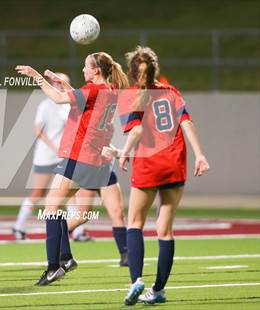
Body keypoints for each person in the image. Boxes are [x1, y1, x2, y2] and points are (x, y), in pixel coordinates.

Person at [16, 51, 129, 286]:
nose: (83, 70)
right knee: (56, 208)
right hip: (91, 158)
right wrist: (63, 84)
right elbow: (79, 101)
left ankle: (54, 267)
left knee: (51, 209)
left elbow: (58, 99)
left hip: (79, 156)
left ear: (96, 70)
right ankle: (65, 258)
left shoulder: (93, 91)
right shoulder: (109, 91)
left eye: (86, 67)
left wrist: (36, 75)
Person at [110, 46, 209, 305]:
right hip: (175, 163)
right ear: (155, 70)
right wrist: (200, 155)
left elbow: (136, 131)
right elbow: (187, 123)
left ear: (132, 73)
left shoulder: (130, 96)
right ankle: (159, 290)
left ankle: (136, 281)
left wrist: (124, 153)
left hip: (148, 165)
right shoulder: (171, 91)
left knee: (134, 223)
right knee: (165, 231)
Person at [12, 73, 92, 242]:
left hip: (64, 155)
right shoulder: (45, 105)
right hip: (46, 156)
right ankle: (19, 226)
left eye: (64, 83)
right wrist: (55, 147)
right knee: (39, 191)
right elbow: (38, 131)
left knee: (70, 194)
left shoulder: (68, 105)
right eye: (57, 82)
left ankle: (78, 232)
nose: (61, 85)